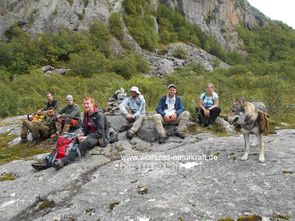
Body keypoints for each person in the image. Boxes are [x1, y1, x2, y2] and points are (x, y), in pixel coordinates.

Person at [53, 96, 110, 169]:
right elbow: (84, 128)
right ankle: (53, 157)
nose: (85, 105)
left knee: (85, 142)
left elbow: (101, 132)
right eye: (84, 104)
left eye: (87, 103)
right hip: (90, 133)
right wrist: (80, 134)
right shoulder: (86, 114)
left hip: (100, 137)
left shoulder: (99, 115)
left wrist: (86, 137)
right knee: (72, 138)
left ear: (92, 104)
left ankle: (64, 161)